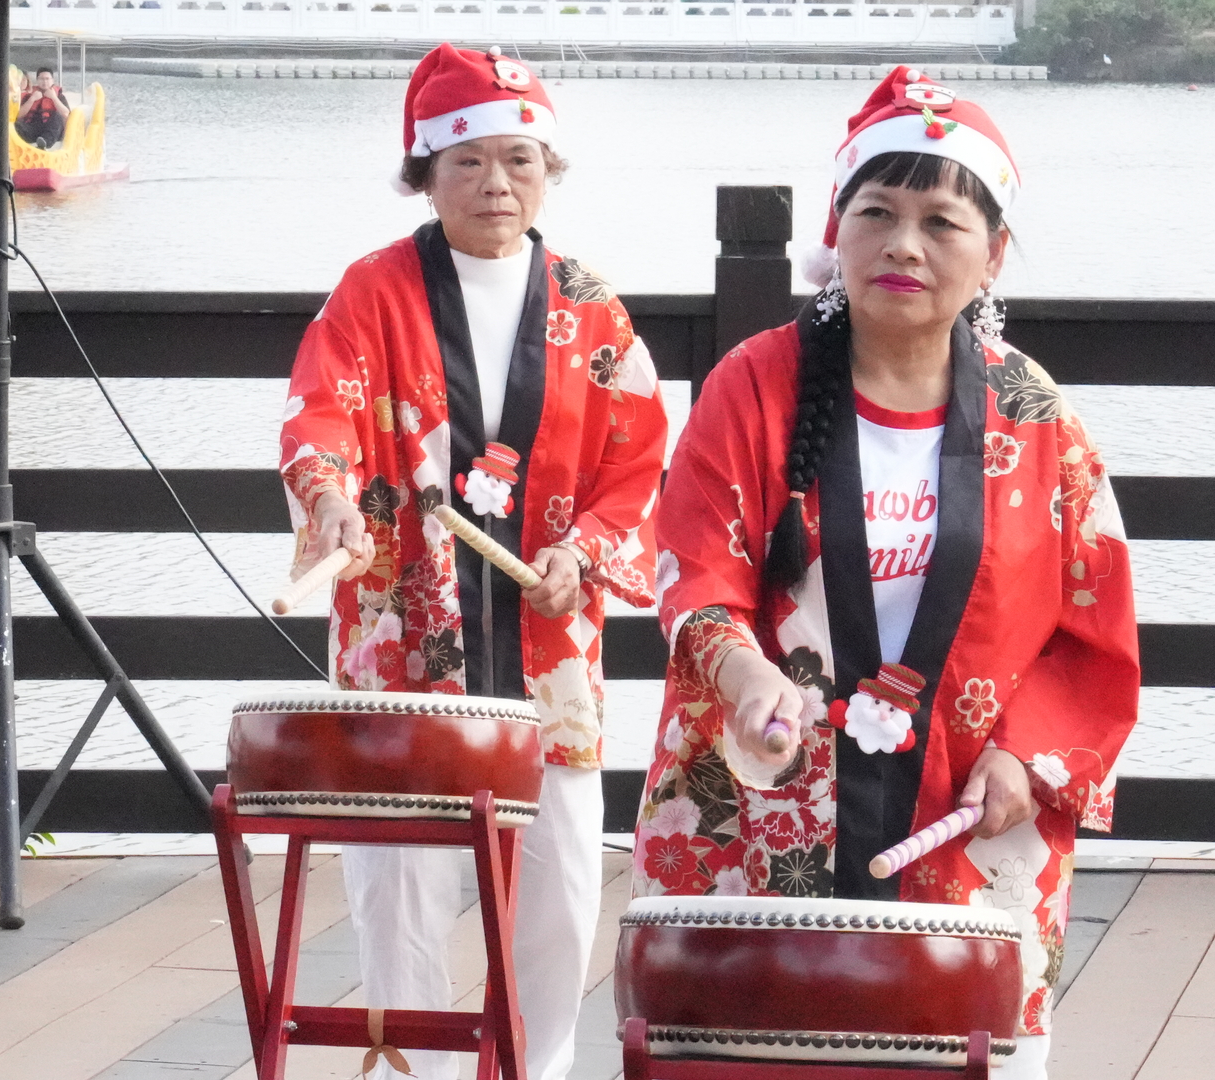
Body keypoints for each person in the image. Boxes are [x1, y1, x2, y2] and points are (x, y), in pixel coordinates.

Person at [633, 68, 1139, 1077]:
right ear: (838, 228)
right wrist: (745, 673)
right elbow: (694, 571)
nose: (905, 245)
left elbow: (1092, 634)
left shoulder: (1037, 417)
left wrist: (1025, 758)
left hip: (967, 814)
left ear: (994, 254)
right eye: (878, 213)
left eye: (942, 223)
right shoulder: (754, 385)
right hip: (769, 799)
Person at [279, 44, 668, 1080]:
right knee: (399, 889)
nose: (496, 183)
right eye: (468, 162)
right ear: (426, 173)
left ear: (548, 172)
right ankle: (418, 1068)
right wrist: (330, 499)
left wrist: (586, 551)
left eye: (518, 159)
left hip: (549, 640)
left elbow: (637, 461)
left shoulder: (592, 306)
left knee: (560, 891)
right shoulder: (372, 291)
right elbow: (320, 413)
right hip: (404, 629)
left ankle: (536, 1070)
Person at [17, 67, 69, 149]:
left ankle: (44, 143)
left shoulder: (59, 96)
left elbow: (66, 113)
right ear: (37, 80)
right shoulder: (29, 95)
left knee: (57, 116)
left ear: (52, 80)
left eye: (47, 79)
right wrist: (32, 99)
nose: (44, 81)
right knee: (14, 123)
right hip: (33, 128)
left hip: (51, 128)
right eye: (41, 79)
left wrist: (54, 98)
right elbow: (19, 115)